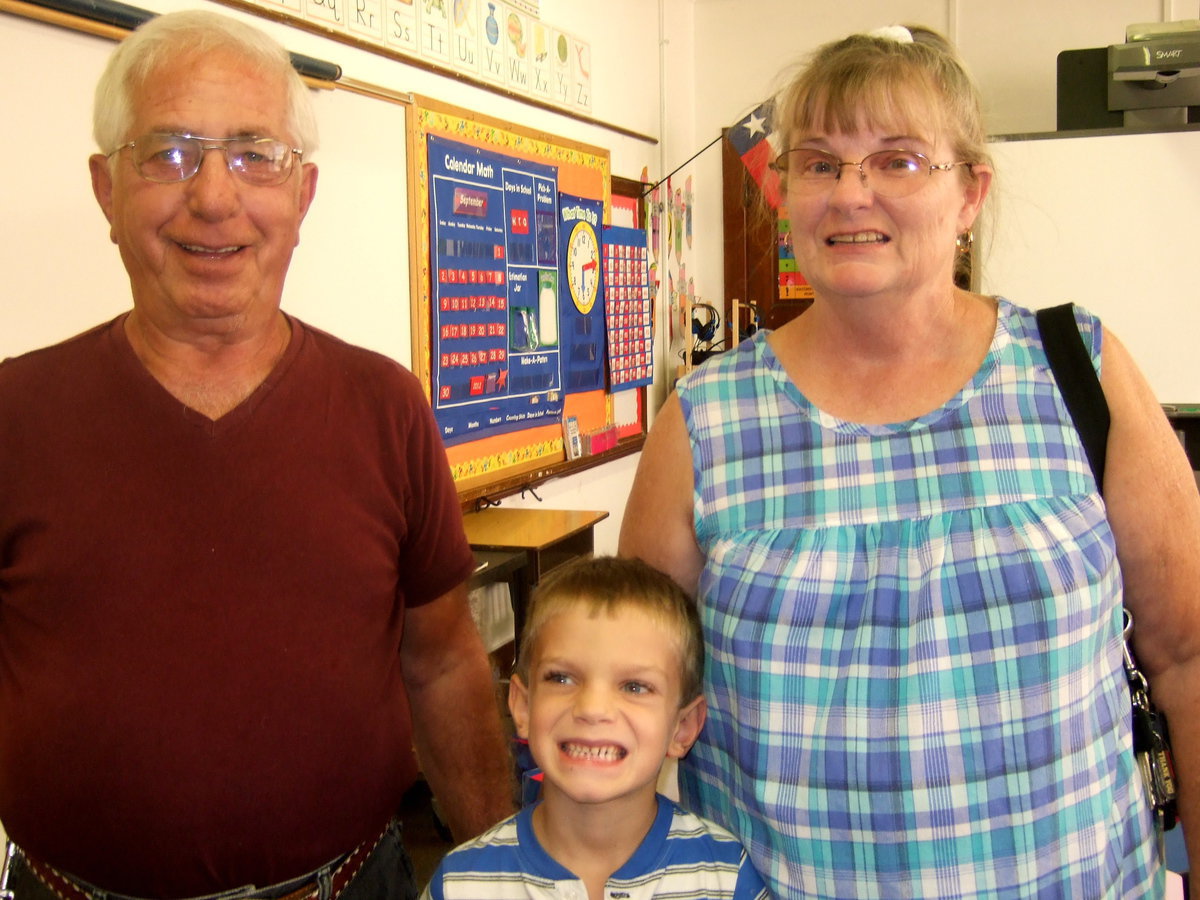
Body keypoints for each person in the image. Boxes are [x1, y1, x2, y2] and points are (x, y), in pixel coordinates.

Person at [620, 23, 1200, 900]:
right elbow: (629, 693)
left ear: (970, 193)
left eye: (897, 160)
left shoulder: (1078, 370)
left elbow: (1188, 654)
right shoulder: (704, 423)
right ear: (784, 193)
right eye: (818, 163)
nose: (851, 194)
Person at [0, 10, 513, 898]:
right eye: (167, 152)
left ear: (303, 193)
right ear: (105, 188)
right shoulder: (13, 413)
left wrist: (510, 872)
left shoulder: (385, 408)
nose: (211, 195)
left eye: (253, 154)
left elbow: (442, 660)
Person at [421, 556, 769, 900]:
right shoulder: (459, 885)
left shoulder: (727, 879)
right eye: (562, 678)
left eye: (635, 686)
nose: (592, 709)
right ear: (524, 707)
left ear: (682, 728)